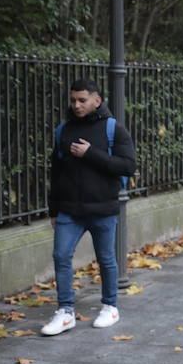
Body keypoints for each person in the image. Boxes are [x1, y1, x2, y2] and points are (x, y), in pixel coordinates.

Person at [41, 79, 137, 336]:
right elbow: (56, 171)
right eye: (73, 100)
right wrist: (53, 210)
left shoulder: (113, 129)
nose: (76, 105)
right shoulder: (63, 130)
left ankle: (110, 306)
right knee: (61, 256)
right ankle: (65, 312)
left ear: (97, 100)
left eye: (82, 100)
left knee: (106, 259)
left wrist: (90, 153)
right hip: (69, 210)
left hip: (103, 208)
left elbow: (127, 166)